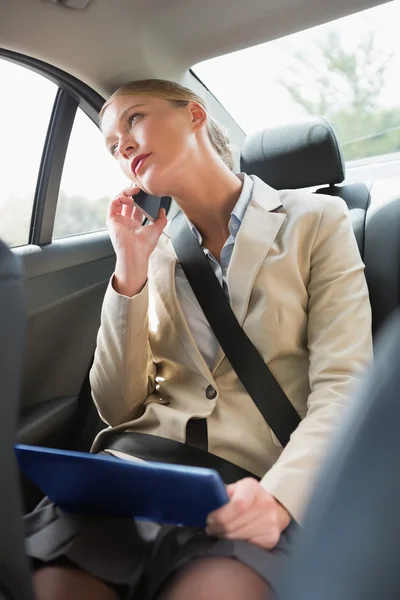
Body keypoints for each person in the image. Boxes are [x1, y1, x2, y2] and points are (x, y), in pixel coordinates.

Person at [25, 79, 373, 600]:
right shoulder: (153, 247)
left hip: (252, 486)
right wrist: (130, 273)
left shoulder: (316, 222)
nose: (122, 145)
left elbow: (345, 388)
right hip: (133, 474)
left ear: (194, 115)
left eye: (134, 119)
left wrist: (280, 499)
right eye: (112, 145)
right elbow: (118, 407)